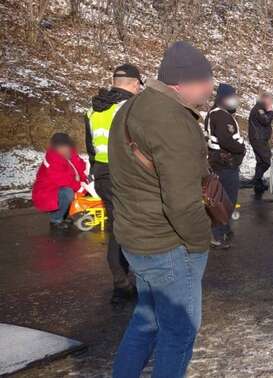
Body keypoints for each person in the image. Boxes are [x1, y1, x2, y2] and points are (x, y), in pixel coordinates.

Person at [109, 41, 213, 378]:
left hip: (136, 241)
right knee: (178, 332)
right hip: (167, 246)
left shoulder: (131, 108)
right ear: (182, 82)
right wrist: (200, 243)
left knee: (147, 323)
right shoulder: (172, 122)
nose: (211, 87)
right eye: (205, 80)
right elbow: (182, 205)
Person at [85, 63, 142, 305]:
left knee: (116, 229)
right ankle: (129, 284)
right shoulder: (130, 107)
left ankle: (121, 283)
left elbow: (90, 146)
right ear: (135, 83)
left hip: (103, 175)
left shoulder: (93, 110)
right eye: (140, 84)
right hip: (127, 174)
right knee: (135, 229)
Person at [205, 83, 245, 249]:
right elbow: (226, 140)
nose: (235, 100)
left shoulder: (216, 114)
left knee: (222, 199)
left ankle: (224, 229)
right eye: (232, 97)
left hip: (220, 163)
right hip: (225, 164)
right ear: (223, 98)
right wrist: (241, 147)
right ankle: (218, 235)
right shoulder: (221, 116)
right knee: (225, 201)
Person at [32, 133, 87, 230]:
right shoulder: (53, 159)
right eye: (60, 147)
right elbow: (63, 180)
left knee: (76, 192)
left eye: (66, 146)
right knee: (67, 193)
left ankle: (65, 215)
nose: (64, 149)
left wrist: (85, 182)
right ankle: (56, 220)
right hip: (48, 190)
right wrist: (80, 187)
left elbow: (80, 169)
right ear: (55, 147)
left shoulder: (71, 155)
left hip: (61, 187)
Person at [248, 91, 273, 198]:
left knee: (260, 162)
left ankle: (258, 183)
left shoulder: (260, 108)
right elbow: (265, 120)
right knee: (267, 161)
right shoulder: (259, 109)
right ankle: (257, 179)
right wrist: (270, 111)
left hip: (260, 138)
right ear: (265, 99)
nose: (271, 102)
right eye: (270, 100)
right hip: (258, 139)